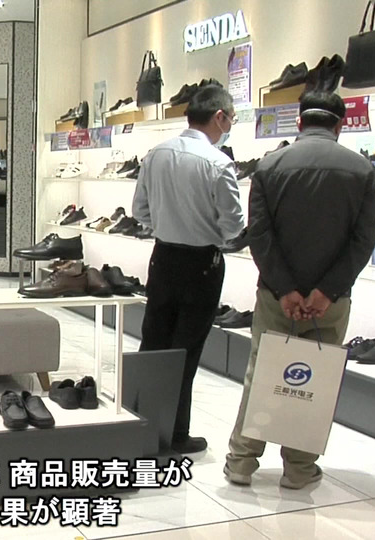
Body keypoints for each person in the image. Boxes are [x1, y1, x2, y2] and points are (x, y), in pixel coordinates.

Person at [224, 92, 375, 489]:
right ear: (340, 125)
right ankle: (298, 468)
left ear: (299, 122)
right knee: (316, 379)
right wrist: (326, 291)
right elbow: (363, 240)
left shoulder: (270, 165)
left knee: (262, 372)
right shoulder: (362, 170)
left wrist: (284, 289)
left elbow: (259, 235)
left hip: (275, 295)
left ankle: (241, 462)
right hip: (331, 300)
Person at [132, 85, 245, 455]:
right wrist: (212, 232)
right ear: (219, 117)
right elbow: (233, 225)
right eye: (231, 118)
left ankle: (142, 423)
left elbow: (139, 211)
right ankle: (175, 433)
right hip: (201, 264)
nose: (229, 125)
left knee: (153, 343)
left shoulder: (156, 154)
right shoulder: (218, 163)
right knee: (185, 350)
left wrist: (166, 224)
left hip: (163, 258)